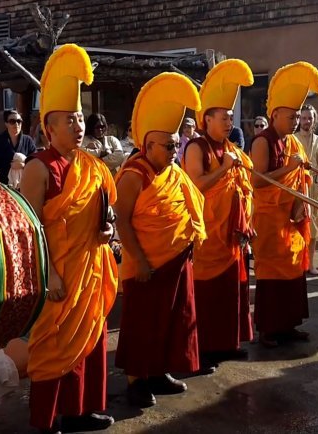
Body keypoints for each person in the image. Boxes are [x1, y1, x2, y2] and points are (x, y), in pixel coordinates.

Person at [19, 44, 118, 433]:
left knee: (90, 343)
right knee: (52, 346)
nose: (78, 126)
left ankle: (81, 410)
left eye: (79, 118)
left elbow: (103, 216)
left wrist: (107, 231)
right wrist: (49, 277)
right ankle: (46, 420)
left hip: (89, 269)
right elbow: (30, 229)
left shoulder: (90, 166)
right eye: (68, 120)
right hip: (58, 275)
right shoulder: (38, 168)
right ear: (49, 128)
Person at [114, 73, 206, 409]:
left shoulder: (173, 171)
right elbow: (122, 221)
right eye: (168, 146)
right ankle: (136, 380)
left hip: (176, 259)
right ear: (147, 145)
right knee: (143, 324)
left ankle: (159, 372)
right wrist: (137, 260)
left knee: (171, 320)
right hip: (147, 263)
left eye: (176, 144)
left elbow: (189, 207)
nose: (174, 151)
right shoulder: (133, 175)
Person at [182, 59, 255, 371]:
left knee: (230, 294)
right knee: (207, 297)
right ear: (206, 119)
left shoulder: (233, 149)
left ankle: (227, 343)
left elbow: (247, 185)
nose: (228, 122)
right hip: (208, 236)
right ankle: (204, 350)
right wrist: (224, 170)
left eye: (230, 117)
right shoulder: (197, 148)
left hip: (232, 235)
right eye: (223, 117)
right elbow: (195, 185)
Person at [250, 61, 318, 348]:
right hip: (269, 219)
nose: (294, 123)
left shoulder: (292, 143)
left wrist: (300, 171)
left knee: (293, 271)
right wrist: (289, 169)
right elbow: (258, 181)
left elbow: (300, 172)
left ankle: (289, 325)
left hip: (291, 216)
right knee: (271, 275)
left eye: (297, 117)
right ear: (275, 114)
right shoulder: (262, 141)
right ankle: (268, 329)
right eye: (290, 117)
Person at [295, 104, 318, 276]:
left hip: (314, 191)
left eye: (310, 118)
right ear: (299, 120)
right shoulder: (292, 139)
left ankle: (310, 264)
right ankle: (296, 263)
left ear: (314, 120)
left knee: (313, 230)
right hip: (296, 190)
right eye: (303, 118)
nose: (307, 121)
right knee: (296, 227)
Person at [0, 109, 37, 183]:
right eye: (12, 121)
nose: (16, 124)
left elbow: (36, 161)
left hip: (24, 184)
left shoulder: (28, 141)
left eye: (19, 121)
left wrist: (23, 165)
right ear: (6, 124)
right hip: (2, 183)